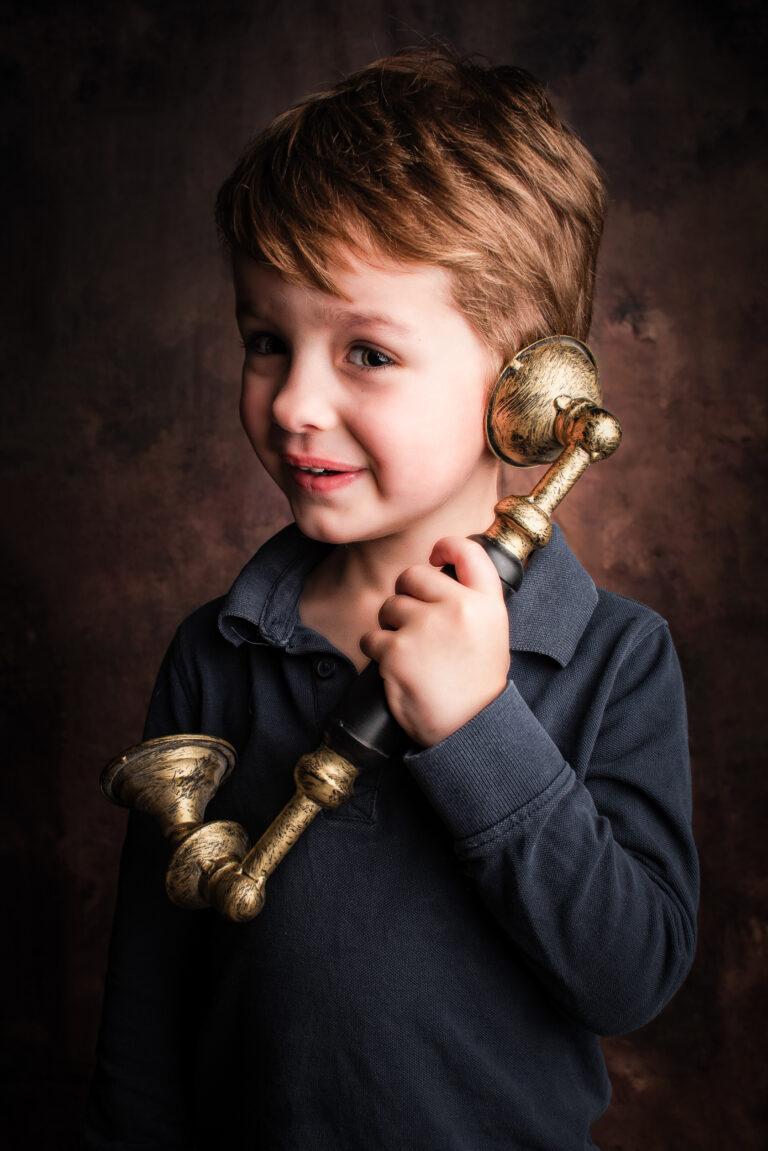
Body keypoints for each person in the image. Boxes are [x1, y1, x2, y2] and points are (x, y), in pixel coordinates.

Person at [84, 46, 698, 1150]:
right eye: (266, 341)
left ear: (527, 393)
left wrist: (480, 729)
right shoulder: (216, 653)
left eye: (366, 351)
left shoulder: (616, 657)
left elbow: (630, 974)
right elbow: (147, 1009)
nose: (294, 402)